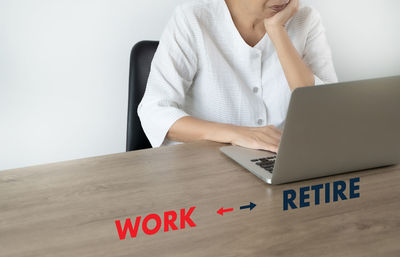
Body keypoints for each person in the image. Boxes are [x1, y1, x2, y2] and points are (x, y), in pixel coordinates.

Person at [138, 0, 337, 153]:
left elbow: (327, 112)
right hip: (205, 169)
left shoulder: (306, 19)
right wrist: (236, 134)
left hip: (281, 164)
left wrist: (277, 31)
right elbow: (154, 111)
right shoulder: (193, 18)